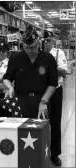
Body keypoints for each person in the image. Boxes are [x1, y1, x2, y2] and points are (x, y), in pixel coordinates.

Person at [3, 25, 58, 120]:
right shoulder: (16, 58)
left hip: (41, 100)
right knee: (19, 132)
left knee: (40, 132)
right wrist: (10, 87)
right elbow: (7, 78)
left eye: (32, 47)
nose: (29, 51)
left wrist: (44, 101)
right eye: (26, 47)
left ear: (38, 44)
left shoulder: (48, 58)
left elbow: (53, 83)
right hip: (20, 101)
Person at [44, 30, 68, 166]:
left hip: (56, 91)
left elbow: (64, 73)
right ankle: (40, 150)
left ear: (53, 41)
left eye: (48, 40)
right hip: (41, 92)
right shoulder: (37, 54)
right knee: (40, 122)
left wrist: (51, 63)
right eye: (44, 41)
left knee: (55, 122)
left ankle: (54, 153)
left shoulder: (59, 53)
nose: (46, 43)